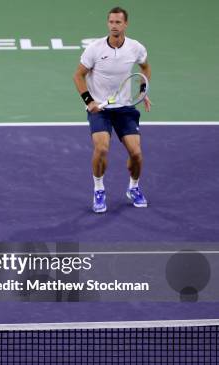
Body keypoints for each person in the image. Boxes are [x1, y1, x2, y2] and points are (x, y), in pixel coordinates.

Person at [73, 6, 152, 213]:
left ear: (125, 24)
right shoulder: (95, 49)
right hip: (100, 109)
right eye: (111, 22)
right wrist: (89, 101)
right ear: (107, 24)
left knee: (136, 153)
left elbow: (145, 68)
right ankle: (99, 189)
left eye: (118, 22)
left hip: (125, 108)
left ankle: (133, 188)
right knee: (102, 148)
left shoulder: (136, 48)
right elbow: (78, 75)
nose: (114, 26)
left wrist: (143, 91)